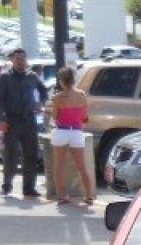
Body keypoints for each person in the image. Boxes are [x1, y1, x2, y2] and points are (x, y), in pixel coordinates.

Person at [0, 48, 48, 199]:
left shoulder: (32, 76)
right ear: (12, 60)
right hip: (12, 121)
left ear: (26, 60)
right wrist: (2, 119)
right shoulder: (4, 77)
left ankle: (29, 188)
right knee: (10, 155)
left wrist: (40, 104)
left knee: (31, 155)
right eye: (17, 59)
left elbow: (44, 92)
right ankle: (7, 186)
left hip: (29, 120)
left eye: (23, 59)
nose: (20, 61)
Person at [49, 66, 95, 205]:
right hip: (76, 131)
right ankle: (89, 196)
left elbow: (55, 116)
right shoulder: (81, 95)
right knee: (82, 166)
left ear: (62, 81)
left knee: (59, 166)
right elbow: (85, 117)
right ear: (73, 80)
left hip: (61, 131)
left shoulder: (57, 97)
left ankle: (61, 196)